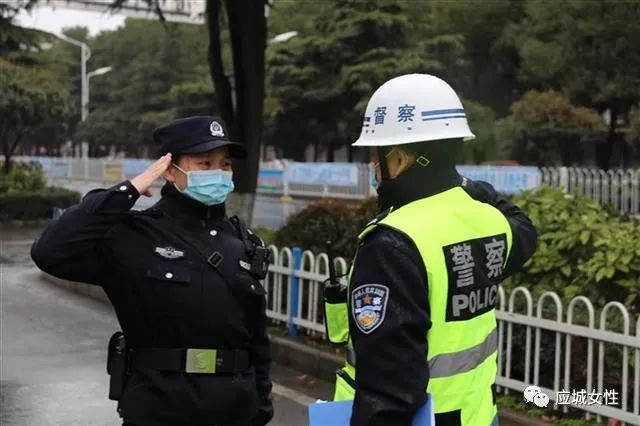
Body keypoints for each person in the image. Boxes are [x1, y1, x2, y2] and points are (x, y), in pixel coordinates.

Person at [323, 74, 538, 426]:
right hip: (478, 416)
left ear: (399, 159)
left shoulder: (393, 243)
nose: (373, 165)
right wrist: (465, 184)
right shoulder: (489, 221)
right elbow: (524, 227)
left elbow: (390, 391)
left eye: (376, 155)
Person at [31, 116, 273, 426]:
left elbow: (257, 339)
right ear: (170, 170)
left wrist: (261, 407)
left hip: (235, 411)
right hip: (159, 409)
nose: (219, 173)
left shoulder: (242, 242)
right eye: (205, 163)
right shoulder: (133, 235)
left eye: (225, 165)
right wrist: (128, 191)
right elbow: (49, 251)